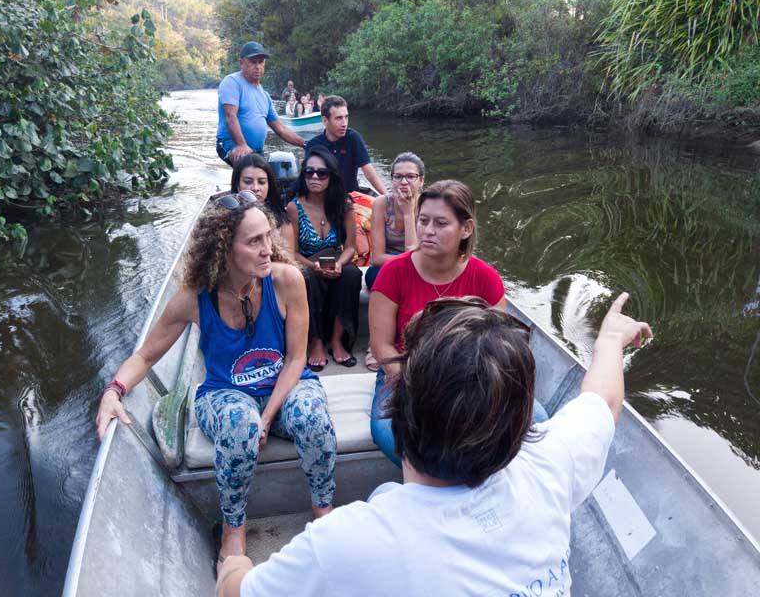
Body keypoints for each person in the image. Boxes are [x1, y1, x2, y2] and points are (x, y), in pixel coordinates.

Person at [216, 293, 653, 597]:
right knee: (388, 495)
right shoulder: (549, 465)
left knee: (386, 499)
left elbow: (239, 593)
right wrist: (611, 340)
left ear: (400, 407)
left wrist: (233, 567)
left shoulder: (348, 543)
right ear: (519, 422)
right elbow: (604, 399)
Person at [94, 191, 337, 572]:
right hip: (225, 394)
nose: (267, 249)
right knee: (241, 424)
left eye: (267, 237)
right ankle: (233, 529)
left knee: (311, 415)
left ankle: (323, 509)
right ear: (224, 249)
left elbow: (296, 359)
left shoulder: (288, 280)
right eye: (254, 241)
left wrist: (270, 415)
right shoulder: (194, 298)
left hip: (285, 386)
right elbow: (145, 356)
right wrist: (113, 391)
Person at [369, 179, 548, 466]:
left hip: (470, 378)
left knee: (537, 420)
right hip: (406, 374)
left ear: (466, 229)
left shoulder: (485, 278)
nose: (427, 231)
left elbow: (499, 347)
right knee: (391, 435)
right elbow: (381, 345)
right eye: (423, 220)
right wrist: (417, 384)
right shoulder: (394, 272)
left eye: (441, 223)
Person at [285, 145, 362, 371]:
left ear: (332, 176)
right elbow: (292, 252)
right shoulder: (294, 207)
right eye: (309, 172)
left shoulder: (344, 206)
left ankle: (337, 340)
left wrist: (338, 264)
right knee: (307, 277)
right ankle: (316, 341)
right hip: (306, 263)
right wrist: (314, 266)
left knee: (351, 274)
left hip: (335, 260)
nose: (315, 177)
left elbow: (350, 247)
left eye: (322, 173)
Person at [362, 152, 425, 371]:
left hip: (420, 265)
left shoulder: (427, 206)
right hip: (384, 269)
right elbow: (378, 257)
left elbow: (415, 253)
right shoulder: (381, 203)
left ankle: (411, 341)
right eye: (398, 177)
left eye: (410, 176)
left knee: (420, 279)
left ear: (421, 180)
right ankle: (376, 344)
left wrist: (409, 214)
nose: (404, 182)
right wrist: (407, 263)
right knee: (380, 277)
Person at [216, 42, 305, 166]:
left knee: (270, 178)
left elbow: (281, 129)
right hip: (231, 143)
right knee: (247, 166)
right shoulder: (231, 82)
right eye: (253, 62)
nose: (258, 66)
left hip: (256, 150)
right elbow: (230, 116)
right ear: (242, 62)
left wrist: (306, 144)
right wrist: (241, 144)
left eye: (261, 62)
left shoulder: (265, 95)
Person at [304, 95, 387, 195]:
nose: (344, 123)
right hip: (323, 199)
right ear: (325, 121)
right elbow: (309, 180)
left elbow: (369, 172)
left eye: (346, 117)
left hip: (350, 199)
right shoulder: (313, 145)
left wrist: (388, 197)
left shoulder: (353, 138)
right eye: (338, 118)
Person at [230, 154, 295, 249]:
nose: (255, 188)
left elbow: (289, 262)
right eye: (248, 182)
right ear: (237, 185)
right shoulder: (225, 220)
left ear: (269, 185)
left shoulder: (282, 223)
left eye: (261, 182)